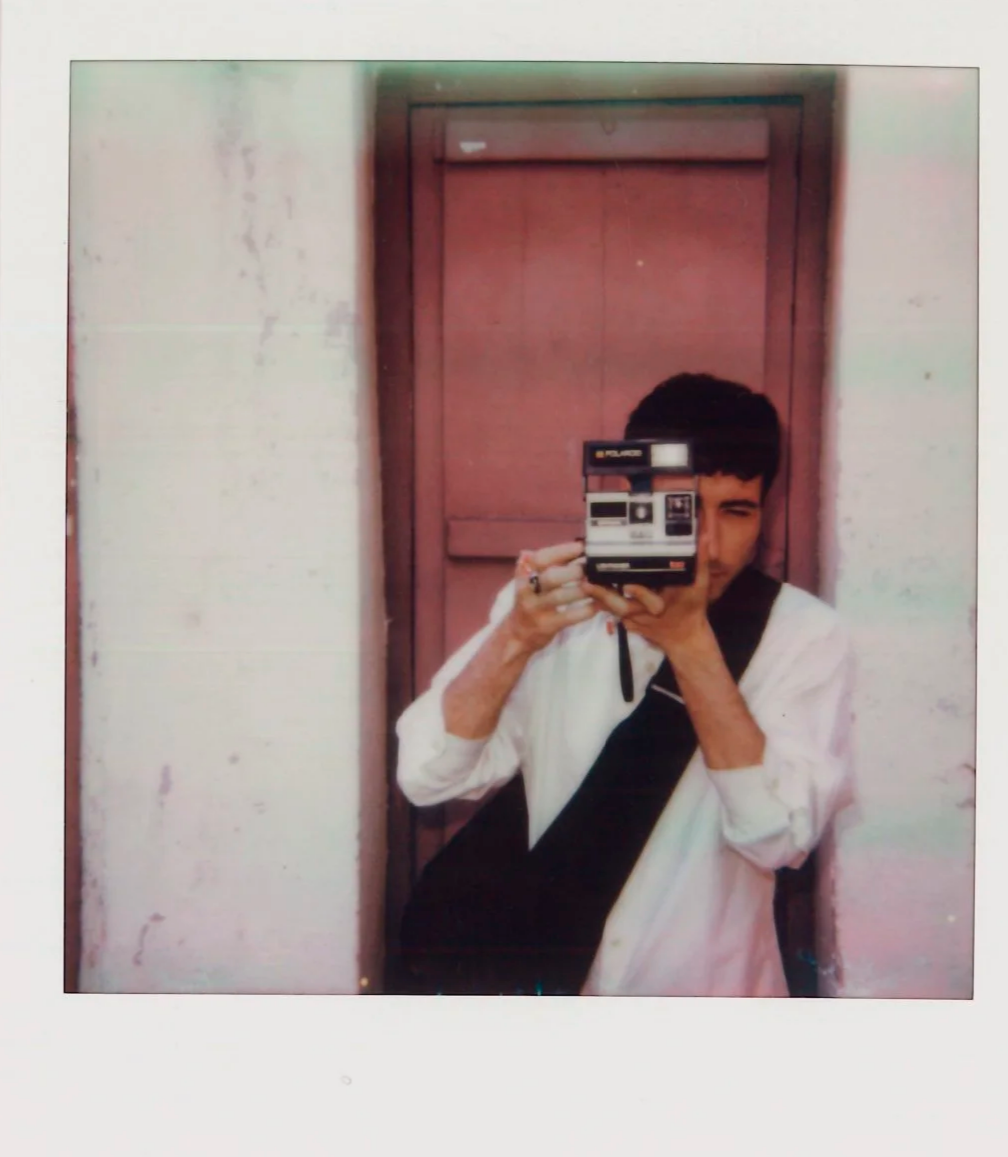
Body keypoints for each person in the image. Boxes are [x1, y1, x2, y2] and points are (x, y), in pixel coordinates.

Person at [395, 373, 855, 997]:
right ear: (630, 499)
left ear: (765, 512)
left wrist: (691, 645)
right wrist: (515, 638)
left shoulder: (803, 633)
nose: (708, 547)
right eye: (682, 510)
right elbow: (428, 775)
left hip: (703, 992)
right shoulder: (553, 609)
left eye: (736, 512)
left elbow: (777, 836)